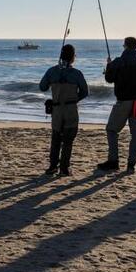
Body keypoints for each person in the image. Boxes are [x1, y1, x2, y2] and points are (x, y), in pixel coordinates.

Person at [98, 37, 136, 172]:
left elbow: (109, 79)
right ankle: (131, 164)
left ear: (125, 46)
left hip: (123, 102)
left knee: (111, 130)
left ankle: (113, 161)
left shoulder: (118, 62)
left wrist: (109, 66)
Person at [39, 44, 89, 176]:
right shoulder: (77, 74)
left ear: (60, 56)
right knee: (68, 139)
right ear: (73, 57)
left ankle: (52, 167)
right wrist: (74, 99)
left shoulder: (51, 71)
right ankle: (64, 168)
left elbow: (42, 87)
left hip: (56, 109)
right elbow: (85, 92)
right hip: (71, 108)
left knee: (56, 138)